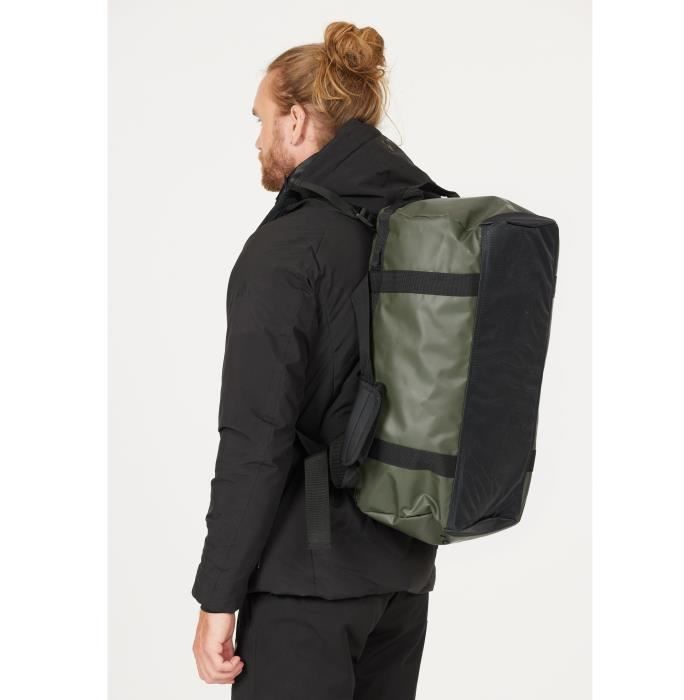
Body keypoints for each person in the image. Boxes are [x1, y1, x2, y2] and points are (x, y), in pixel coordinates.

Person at [191, 21, 444, 699]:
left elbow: (255, 439)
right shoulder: (411, 232)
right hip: (401, 577)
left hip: (304, 587)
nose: (257, 139)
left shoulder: (288, 249)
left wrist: (217, 596)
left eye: (262, 119)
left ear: (296, 120)